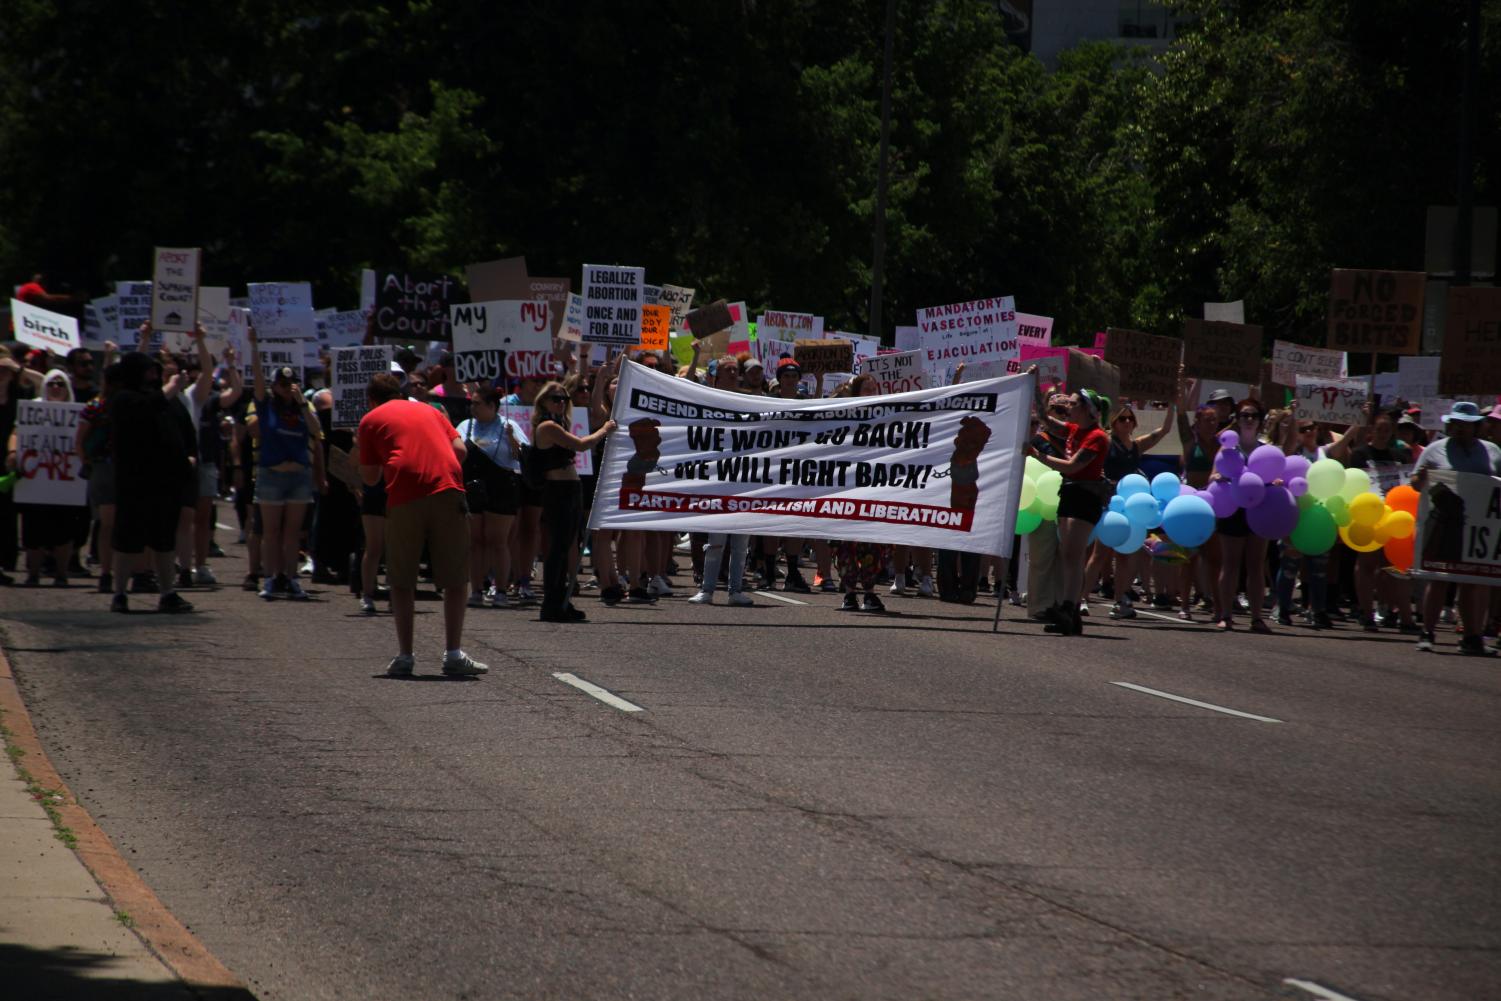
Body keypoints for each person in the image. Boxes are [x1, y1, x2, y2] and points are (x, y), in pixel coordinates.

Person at [358, 372, 487, 677]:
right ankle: (453, 653)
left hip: (404, 492)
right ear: (401, 393)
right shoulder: (431, 410)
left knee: (403, 577)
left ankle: (405, 656)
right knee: (456, 576)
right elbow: (460, 451)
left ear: (372, 400)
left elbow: (369, 478)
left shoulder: (371, 419)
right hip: (448, 487)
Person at [1410, 401, 1501, 656]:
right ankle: (1427, 632)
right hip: (1444, 524)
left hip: (1478, 528)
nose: (1460, 429)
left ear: (1477, 427)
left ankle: (1473, 636)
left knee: (1475, 581)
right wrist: (1423, 477)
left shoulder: (1492, 451)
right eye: (1456, 424)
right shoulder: (1434, 450)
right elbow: (1416, 484)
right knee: (1439, 578)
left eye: (1466, 425)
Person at [107, 352, 193, 613]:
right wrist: (170, 388)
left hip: (165, 483)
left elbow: (184, 429)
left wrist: (188, 456)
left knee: (164, 540)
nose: (154, 375)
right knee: (127, 541)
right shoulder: (124, 399)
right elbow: (146, 408)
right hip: (134, 483)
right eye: (149, 371)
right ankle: (119, 593)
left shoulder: (168, 401)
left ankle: (167, 593)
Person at [247, 325, 326, 600]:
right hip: (271, 474)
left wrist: (301, 402)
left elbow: (316, 432)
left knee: (292, 533)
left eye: (290, 385)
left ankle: (291, 578)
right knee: (271, 531)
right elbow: (257, 378)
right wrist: (254, 346)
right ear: (274, 386)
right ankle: (269, 579)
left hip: (298, 476)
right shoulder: (265, 404)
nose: (286, 389)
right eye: (281, 385)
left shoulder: (303, 406)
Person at [1029, 375, 1111, 636]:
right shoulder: (1075, 430)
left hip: (1085, 497)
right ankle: (1071, 615)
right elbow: (1044, 418)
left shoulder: (1097, 437)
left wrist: (1037, 455)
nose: (1068, 408)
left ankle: (1068, 608)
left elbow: (1073, 466)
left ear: (1087, 409)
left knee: (1073, 556)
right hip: (1069, 492)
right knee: (1067, 555)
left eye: (1074, 404)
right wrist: (1034, 384)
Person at [530, 380, 615, 622]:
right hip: (558, 491)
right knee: (558, 548)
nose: (560, 403)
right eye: (555, 399)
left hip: (569, 488)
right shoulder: (547, 426)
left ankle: (562, 600)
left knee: (568, 545)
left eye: (564, 399)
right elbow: (581, 445)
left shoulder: (559, 423)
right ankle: (552, 603)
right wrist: (605, 430)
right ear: (543, 402)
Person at [1099, 386, 1180, 619]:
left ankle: (1121, 598)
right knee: (1099, 555)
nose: (1126, 422)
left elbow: (1164, 430)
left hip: (1130, 507)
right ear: (1114, 423)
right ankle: (1081, 599)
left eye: (1129, 419)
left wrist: (1172, 403)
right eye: (1121, 419)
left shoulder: (1137, 446)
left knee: (1127, 554)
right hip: (1109, 503)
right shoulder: (1106, 442)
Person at [454, 387, 524, 608]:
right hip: (473, 487)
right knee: (476, 542)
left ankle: (501, 590)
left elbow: (522, 456)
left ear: (492, 406)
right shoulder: (465, 426)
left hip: (500, 486)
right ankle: (476, 590)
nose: (472, 407)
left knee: (497, 541)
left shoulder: (509, 426)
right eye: (472, 403)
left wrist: (514, 443)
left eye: (477, 403)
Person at [1213, 399, 1274, 632]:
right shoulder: (1227, 449)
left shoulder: (1266, 450)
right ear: (1237, 420)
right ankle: (1226, 614)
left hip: (1260, 509)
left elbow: (1278, 471)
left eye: (1253, 416)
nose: (1249, 420)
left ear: (1260, 421)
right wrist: (1219, 477)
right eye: (1244, 415)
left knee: (1256, 564)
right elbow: (1213, 475)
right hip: (1233, 509)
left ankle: (1257, 617)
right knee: (1230, 563)